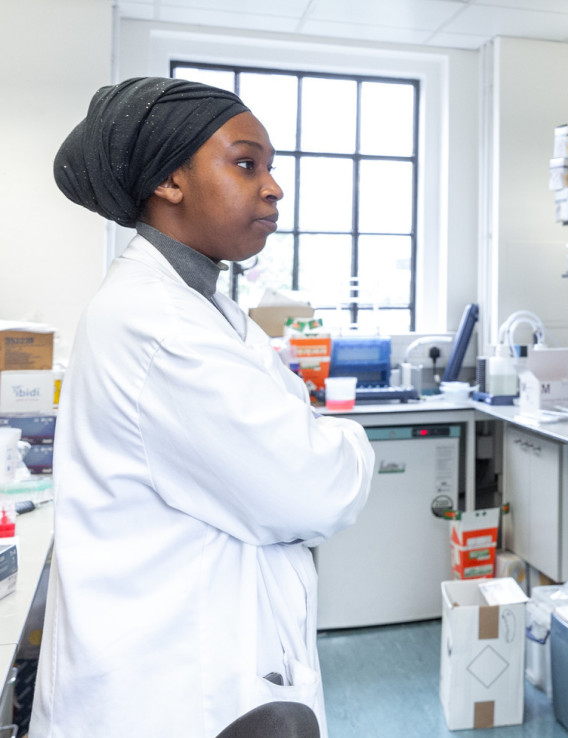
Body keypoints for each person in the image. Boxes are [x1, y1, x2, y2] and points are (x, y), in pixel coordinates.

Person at [33, 77, 375, 737]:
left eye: (271, 168)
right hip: (170, 692)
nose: (273, 187)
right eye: (247, 163)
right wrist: (349, 441)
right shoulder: (158, 326)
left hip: (201, 671)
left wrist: (309, 436)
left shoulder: (199, 308)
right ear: (169, 180)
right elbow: (313, 490)